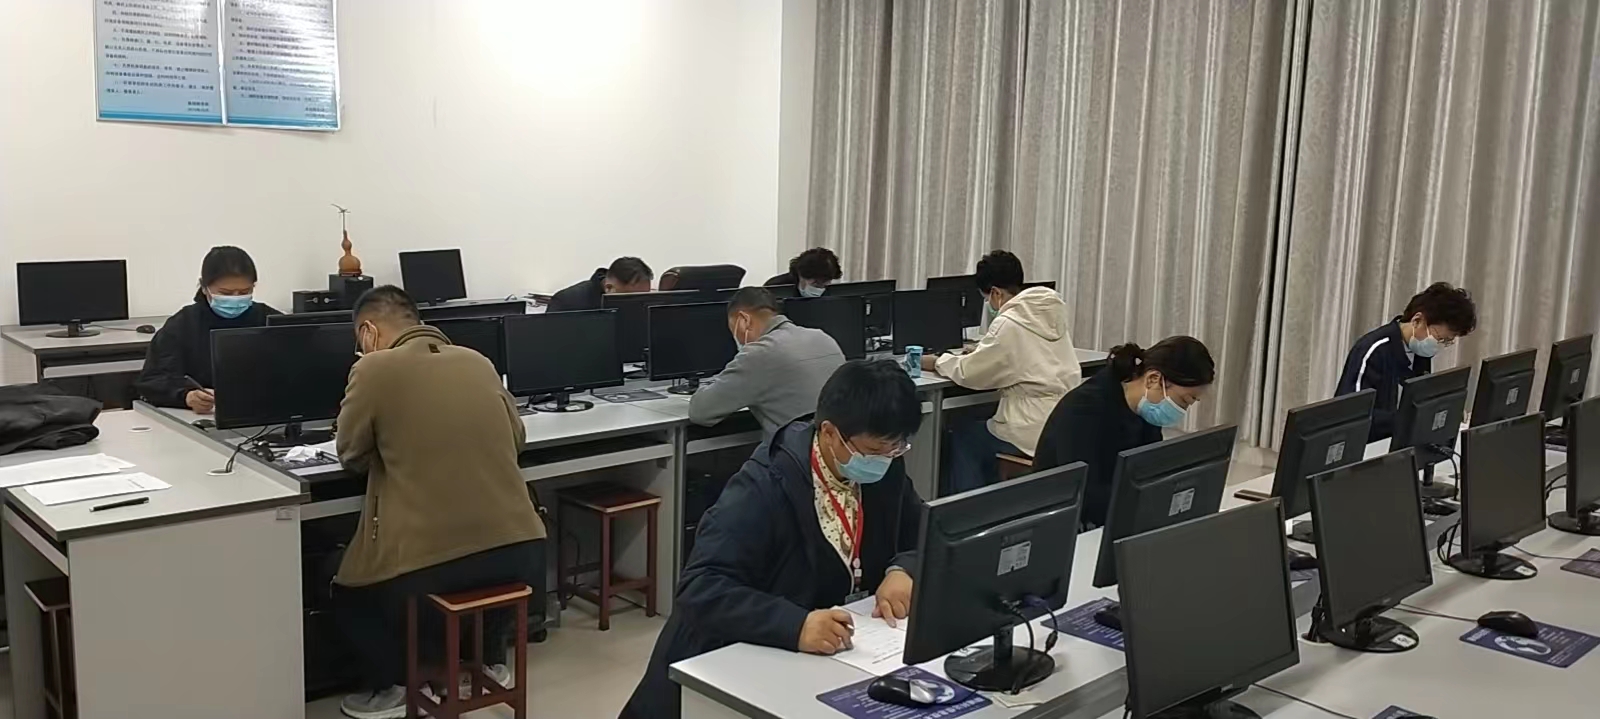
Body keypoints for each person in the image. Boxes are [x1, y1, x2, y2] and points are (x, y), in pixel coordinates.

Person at [622, 360, 924, 719]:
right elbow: (700, 589)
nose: (885, 459)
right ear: (830, 433)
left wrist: (903, 569)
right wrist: (795, 625)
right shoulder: (763, 487)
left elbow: (924, 531)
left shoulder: (883, 466)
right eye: (875, 451)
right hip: (723, 668)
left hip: (833, 660)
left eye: (896, 449)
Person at [333, 286, 547, 719]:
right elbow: (517, 438)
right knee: (483, 557)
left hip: (431, 567)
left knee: (344, 586)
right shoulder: (478, 361)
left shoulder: (373, 368)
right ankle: (489, 662)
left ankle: (392, 687)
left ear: (368, 332)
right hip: (523, 551)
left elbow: (350, 454)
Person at [922, 251, 1082, 492]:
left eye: (986, 298)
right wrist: (984, 350)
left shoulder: (1009, 322)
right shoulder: (1049, 313)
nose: (989, 305)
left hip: (1028, 430)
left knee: (963, 436)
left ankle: (969, 508)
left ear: (996, 293)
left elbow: (969, 373)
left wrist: (937, 362)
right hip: (1060, 424)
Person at [1033, 337, 1215, 528]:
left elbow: (1149, 471)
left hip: (1109, 516)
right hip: (1062, 519)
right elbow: (1086, 494)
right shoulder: (1084, 409)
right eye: (1184, 400)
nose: (1182, 410)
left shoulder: (1145, 408)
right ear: (1154, 379)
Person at [134, 246, 279, 414]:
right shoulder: (183, 324)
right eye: (226, 293)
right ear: (204, 288)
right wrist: (186, 396)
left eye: (244, 292)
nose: (235, 298)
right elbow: (153, 380)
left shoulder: (269, 320)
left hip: (266, 411)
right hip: (204, 416)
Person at [689, 287, 847, 438]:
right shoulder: (823, 337)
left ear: (744, 320)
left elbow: (700, 412)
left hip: (797, 451)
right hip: (839, 446)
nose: (737, 339)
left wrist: (714, 381)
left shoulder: (758, 354)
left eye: (734, 331)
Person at [1336, 282, 1477, 442]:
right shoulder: (1374, 350)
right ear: (1417, 320)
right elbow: (1352, 418)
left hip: (1398, 443)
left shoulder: (1420, 352)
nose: (1438, 345)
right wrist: (1410, 420)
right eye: (1439, 338)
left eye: (1446, 341)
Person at [546, 256, 654, 313]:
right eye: (633, 298)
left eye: (645, 296)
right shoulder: (567, 302)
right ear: (609, 288)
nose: (640, 304)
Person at [765, 247, 843, 297]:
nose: (820, 289)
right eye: (816, 283)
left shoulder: (833, 293)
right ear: (800, 275)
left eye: (824, 283)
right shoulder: (773, 288)